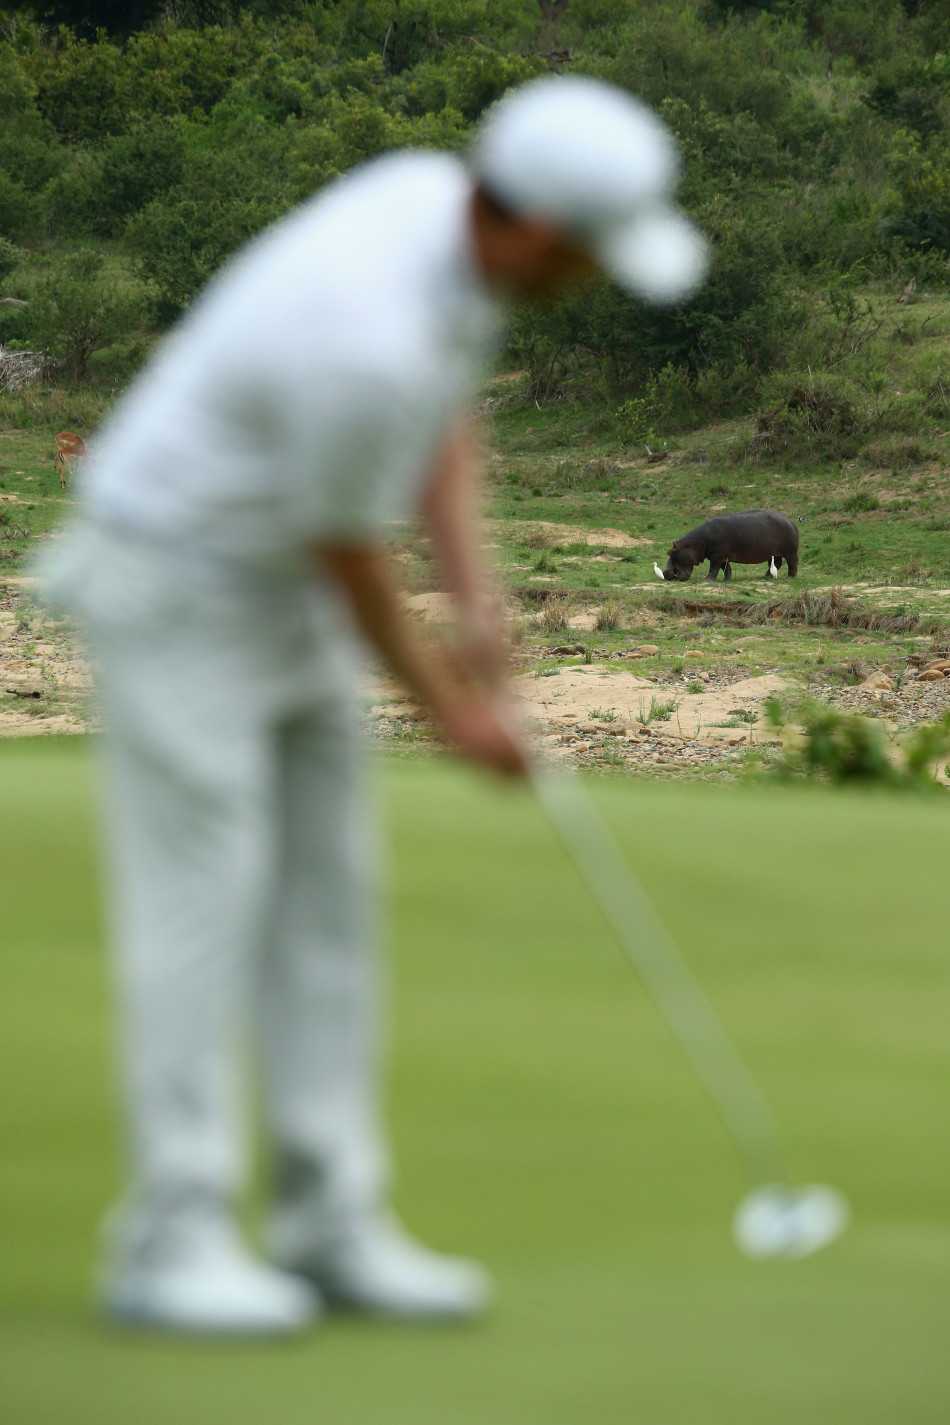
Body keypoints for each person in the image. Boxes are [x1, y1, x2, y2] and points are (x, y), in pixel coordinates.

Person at [37, 75, 706, 1335]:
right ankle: (170, 1241)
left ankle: (328, 1222)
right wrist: (460, 716)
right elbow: (351, 551)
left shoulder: (434, 213)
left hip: (278, 565)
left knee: (326, 895)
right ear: (526, 224)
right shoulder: (359, 328)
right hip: (175, 574)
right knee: (206, 902)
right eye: (585, 256)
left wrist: (476, 594)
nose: (589, 281)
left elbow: (440, 416)